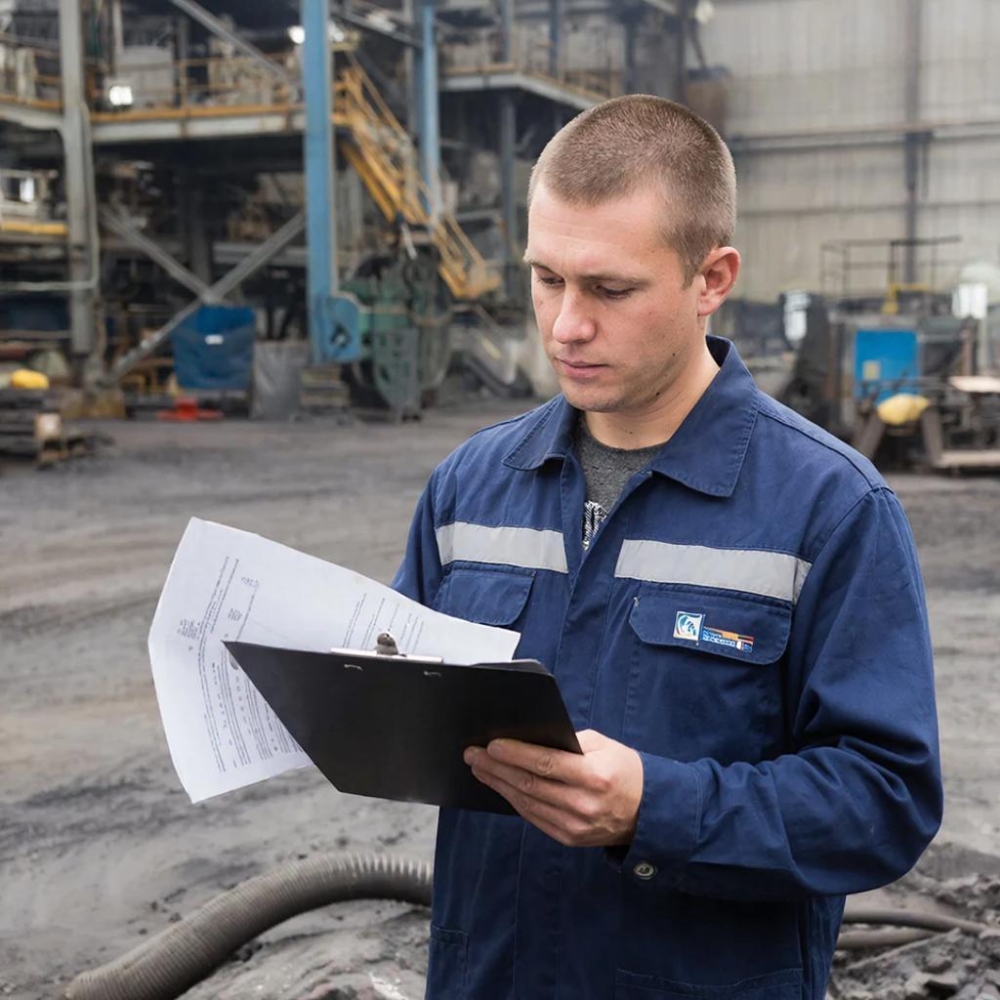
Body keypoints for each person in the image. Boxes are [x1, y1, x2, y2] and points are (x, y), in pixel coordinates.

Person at [393, 95, 942, 1000]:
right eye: (545, 278)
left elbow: (885, 802)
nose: (566, 324)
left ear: (711, 276)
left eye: (609, 289)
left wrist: (655, 807)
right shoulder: (469, 488)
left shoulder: (829, 508)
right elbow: (406, 705)